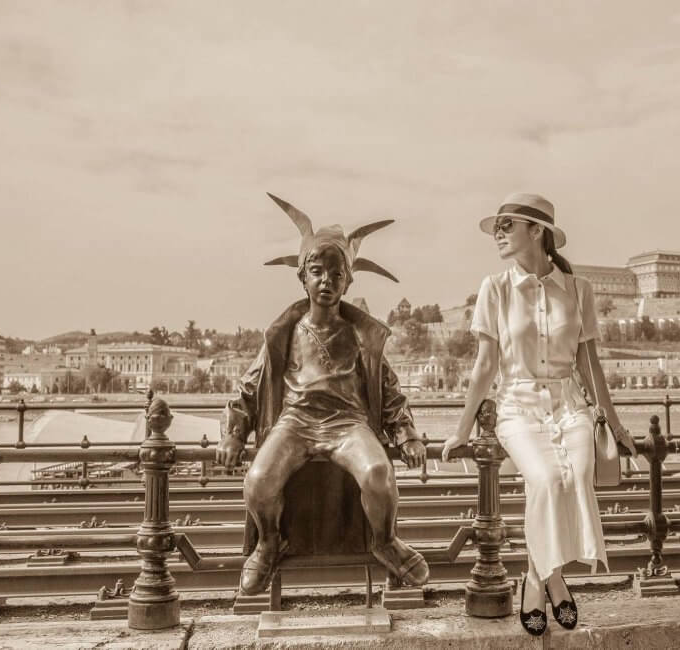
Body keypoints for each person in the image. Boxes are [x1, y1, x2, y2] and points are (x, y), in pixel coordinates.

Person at [441, 192, 636, 635]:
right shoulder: (495, 288)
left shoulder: (579, 290)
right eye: (497, 228)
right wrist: (461, 428)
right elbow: (485, 365)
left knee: (576, 476)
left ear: (537, 231)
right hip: (518, 405)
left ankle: (536, 575)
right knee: (546, 480)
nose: (498, 234)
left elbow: (589, 364)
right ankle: (547, 578)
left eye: (506, 226)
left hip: (571, 405)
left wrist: (615, 423)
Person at [216, 193, 429, 596]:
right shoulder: (285, 334)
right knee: (259, 480)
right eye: (317, 272)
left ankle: (385, 541)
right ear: (303, 277)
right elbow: (250, 386)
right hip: (295, 423)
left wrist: (406, 433)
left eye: (336, 274)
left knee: (378, 474)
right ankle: (268, 541)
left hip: (348, 425)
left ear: (348, 281)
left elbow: (389, 391)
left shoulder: (360, 336)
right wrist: (233, 431)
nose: (327, 281)